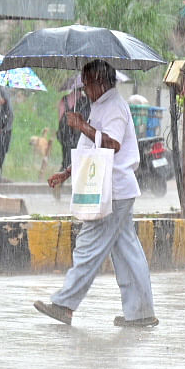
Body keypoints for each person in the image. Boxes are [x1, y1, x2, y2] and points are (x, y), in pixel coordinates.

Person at [34, 60, 157, 327]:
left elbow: (111, 144)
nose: (85, 88)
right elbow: (92, 149)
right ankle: (141, 312)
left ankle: (65, 305)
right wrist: (67, 172)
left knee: (89, 245)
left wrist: (81, 125)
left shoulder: (114, 107)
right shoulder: (102, 105)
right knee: (126, 251)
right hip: (113, 187)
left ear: (101, 82)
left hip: (111, 189)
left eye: (87, 83)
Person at [56, 85, 91, 171]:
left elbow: (60, 116)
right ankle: (75, 173)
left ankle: (63, 171)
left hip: (64, 132)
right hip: (78, 133)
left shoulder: (64, 99)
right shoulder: (85, 101)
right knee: (78, 155)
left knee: (66, 155)